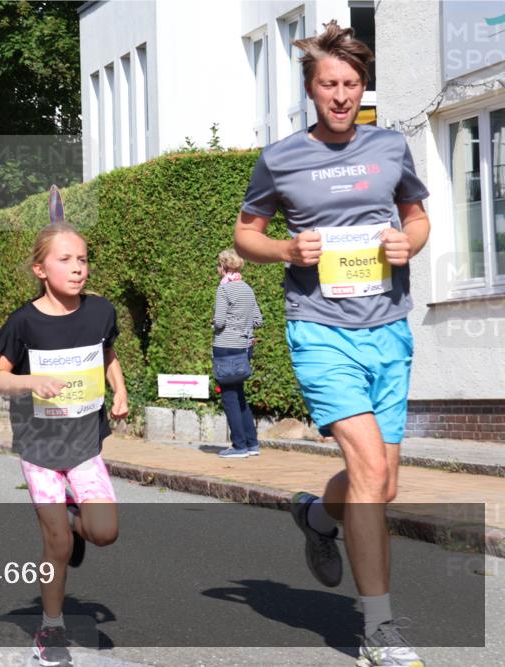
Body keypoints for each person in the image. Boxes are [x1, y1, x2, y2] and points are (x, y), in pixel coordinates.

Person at [234, 22, 431, 667]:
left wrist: (412, 242)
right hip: (319, 329)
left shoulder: (391, 147)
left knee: (384, 483)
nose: (340, 96)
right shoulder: (282, 157)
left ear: (362, 85)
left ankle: (319, 515)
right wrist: (286, 248)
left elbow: (416, 216)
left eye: (350, 84)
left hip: (389, 328)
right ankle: (379, 629)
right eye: (328, 85)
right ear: (311, 89)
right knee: (371, 471)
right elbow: (247, 236)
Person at [0, 222, 127, 667]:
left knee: (104, 532)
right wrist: (31, 381)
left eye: (82, 259)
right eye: (65, 260)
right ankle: (51, 630)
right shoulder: (24, 321)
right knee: (57, 546)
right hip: (40, 448)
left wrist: (119, 389)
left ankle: (72, 517)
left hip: (85, 442)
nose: (78, 268)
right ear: (40, 269)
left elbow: (107, 353)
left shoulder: (100, 312)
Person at [212, 249, 263, 458]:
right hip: (244, 347)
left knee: (230, 397)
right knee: (240, 395)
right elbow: (258, 320)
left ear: (224, 267)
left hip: (226, 346)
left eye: (218, 265)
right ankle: (252, 443)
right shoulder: (247, 289)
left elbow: (220, 321)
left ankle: (238, 445)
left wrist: (214, 322)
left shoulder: (223, 290)